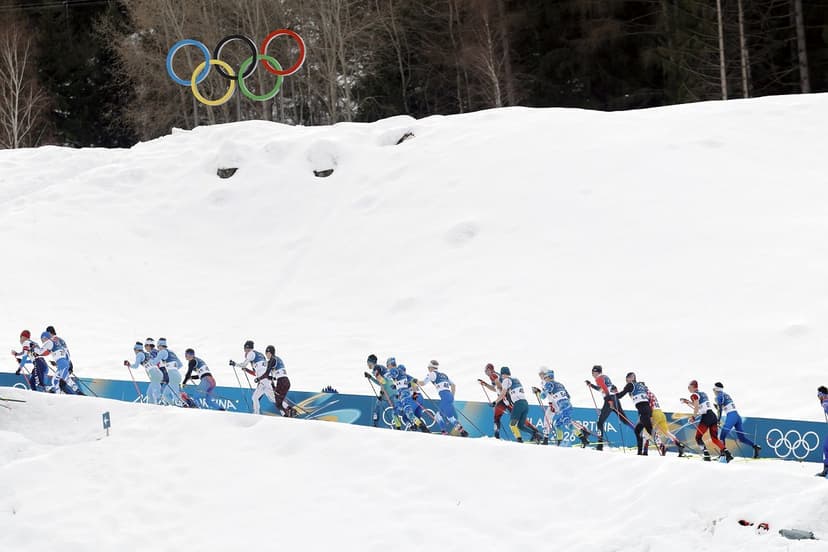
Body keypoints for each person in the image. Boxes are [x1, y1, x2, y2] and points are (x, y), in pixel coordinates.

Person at [533, 369, 591, 446]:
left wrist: (537, 392)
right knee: (557, 424)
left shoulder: (549, 384)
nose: (545, 379)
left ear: (549, 377)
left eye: (545, 377)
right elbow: (568, 396)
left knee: (568, 424)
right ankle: (559, 442)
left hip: (563, 406)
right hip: (567, 405)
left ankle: (583, 439)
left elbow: (543, 396)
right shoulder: (560, 384)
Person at [680, 380, 731, 462]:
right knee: (714, 439)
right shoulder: (703, 393)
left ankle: (706, 455)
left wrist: (693, 417)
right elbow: (699, 405)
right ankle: (728, 454)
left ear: (693, 387)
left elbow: (696, 407)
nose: (688, 389)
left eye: (689, 387)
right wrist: (687, 402)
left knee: (698, 437)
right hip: (712, 416)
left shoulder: (694, 395)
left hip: (706, 417)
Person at [585, 365, 634, 451]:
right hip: (615, 398)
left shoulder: (599, 378)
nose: (592, 374)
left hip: (609, 400)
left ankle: (600, 445)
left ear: (596, 372)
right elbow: (605, 389)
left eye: (593, 372)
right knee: (624, 420)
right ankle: (638, 431)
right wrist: (591, 385)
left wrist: (609, 401)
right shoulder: (605, 377)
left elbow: (605, 390)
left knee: (599, 422)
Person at [413, 360, 467, 436]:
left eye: (428, 368)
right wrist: (451, 397)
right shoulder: (444, 375)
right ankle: (462, 431)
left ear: (431, 367)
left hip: (445, 397)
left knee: (439, 416)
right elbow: (453, 385)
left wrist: (416, 381)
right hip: (449, 396)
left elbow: (423, 383)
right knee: (449, 417)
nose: (428, 369)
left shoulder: (432, 374)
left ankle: (444, 432)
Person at [712, 382, 761, 459]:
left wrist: (718, 420)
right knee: (741, 438)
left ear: (716, 389)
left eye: (713, 389)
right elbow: (725, 406)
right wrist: (717, 407)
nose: (713, 391)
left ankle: (723, 455)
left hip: (731, 416)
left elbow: (720, 409)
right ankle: (755, 447)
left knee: (722, 436)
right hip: (737, 416)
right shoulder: (726, 394)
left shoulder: (719, 396)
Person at [614, 372, 656, 456]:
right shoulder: (640, 385)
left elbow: (620, 395)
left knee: (650, 430)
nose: (627, 381)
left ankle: (662, 445)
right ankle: (640, 452)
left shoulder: (630, 385)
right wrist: (651, 414)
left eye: (628, 378)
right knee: (637, 430)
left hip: (643, 410)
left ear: (632, 378)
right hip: (646, 409)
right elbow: (648, 397)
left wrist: (613, 394)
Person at [494, 367, 539, 443]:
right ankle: (536, 435)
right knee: (520, 425)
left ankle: (519, 440)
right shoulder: (515, 379)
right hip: (525, 404)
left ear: (503, 374)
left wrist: (495, 402)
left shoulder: (506, 380)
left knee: (512, 425)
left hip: (518, 404)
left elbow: (503, 393)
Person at [386, 362, 431, 432]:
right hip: (416, 398)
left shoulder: (405, 376)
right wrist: (396, 387)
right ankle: (415, 427)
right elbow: (407, 383)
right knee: (406, 415)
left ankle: (420, 427)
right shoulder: (403, 377)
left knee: (407, 414)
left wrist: (414, 397)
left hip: (415, 397)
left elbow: (414, 385)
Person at [231, 340, 272, 415]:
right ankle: (256, 413)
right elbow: (255, 373)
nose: (244, 352)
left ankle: (256, 414)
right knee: (259, 397)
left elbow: (243, 364)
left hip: (264, 380)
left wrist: (235, 364)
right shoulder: (258, 355)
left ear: (247, 348)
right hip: (265, 379)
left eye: (244, 349)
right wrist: (246, 370)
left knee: (262, 397)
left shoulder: (251, 353)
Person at [647, 386, 686, 457]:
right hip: (661, 413)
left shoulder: (645, 394)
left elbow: (650, 404)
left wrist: (650, 416)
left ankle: (661, 447)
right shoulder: (652, 393)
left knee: (652, 431)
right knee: (667, 433)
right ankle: (679, 445)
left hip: (655, 414)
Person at [364, 354, 398, 428]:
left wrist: (381, 393)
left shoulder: (375, 368)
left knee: (377, 406)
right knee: (394, 409)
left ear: (371, 362)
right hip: (393, 390)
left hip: (387, 391)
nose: (367, 364)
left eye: (368, 362)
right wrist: (370, 377)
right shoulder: (380, 367)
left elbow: (383, 382)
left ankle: (375, 425)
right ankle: (398, 425)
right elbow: (381, 382)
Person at [265, 345, 295, 417]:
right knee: (278, 401)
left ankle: (286, 415)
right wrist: (272, 381)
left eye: (266, 353)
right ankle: (290, 411)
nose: (266, 355)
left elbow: (267, 374)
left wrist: (259, 378)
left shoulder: (272, 360)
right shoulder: (278, 359)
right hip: (286, 381)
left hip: (281, 382)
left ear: (269, 353)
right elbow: (273, 375)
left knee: (278, 402)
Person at [154, 338, 182, 406]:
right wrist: (170, 367)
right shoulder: (171, 352)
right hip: (177, 375)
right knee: (165, 395)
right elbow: (180, 365)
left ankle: (181, 405)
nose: (158, 349)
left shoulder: (162, 351)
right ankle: (174, 406)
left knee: (176, 396)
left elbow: (155, 361)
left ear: (160, 345)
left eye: (158, 347)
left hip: (172, 375)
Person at [142, 338, 162, 404]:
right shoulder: (153, 352)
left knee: (153, 394)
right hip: (157, 375)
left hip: (157, 375)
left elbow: (154, 361)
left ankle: (157, 406)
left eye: (145, 346)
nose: (145, 347)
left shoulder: (154, 352)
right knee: (149, 393)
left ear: (149, 345)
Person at [817, 386, 828, 477]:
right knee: (826, 447)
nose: (818, 397)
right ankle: (826, 469)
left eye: (819, 395)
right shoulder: (824, 402)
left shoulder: (826, 402)